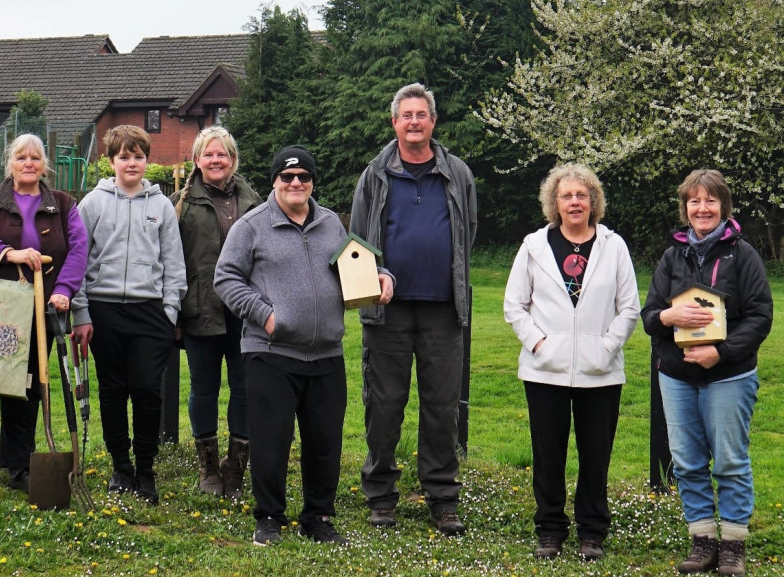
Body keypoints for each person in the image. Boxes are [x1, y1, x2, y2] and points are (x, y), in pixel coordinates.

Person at [215, 146, 394, 546]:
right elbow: (225, 278)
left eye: (304, 177)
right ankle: (269, 519)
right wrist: (266, 315)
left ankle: (318, 518)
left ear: (313, 181)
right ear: (275, 181)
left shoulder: (330, 223)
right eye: (287, 177)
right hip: (271, 353)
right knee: (271, 442)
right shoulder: (252, 226)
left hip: (326, 354)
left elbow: (354, 262)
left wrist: (382, 276)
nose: (296, 184)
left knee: (324, 443)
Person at [349, 82, 477, 536]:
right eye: (407, 115)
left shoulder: (458, 174)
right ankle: (380, 495)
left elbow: (468, 233)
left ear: (433, 122)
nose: (415, 122)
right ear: (395, 122)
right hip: (388, 313)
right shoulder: (374, 174)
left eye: (422, 114)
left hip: (444, 311)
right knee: (383, 406)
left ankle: (442, 497)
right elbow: (359, 242)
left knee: (442, 409)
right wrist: (374, 282)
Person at [503, 163, 639, 560]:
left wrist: (606, 347)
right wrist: (540, 344)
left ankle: (592, 532)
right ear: (554, 203)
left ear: (593, 201)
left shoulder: (614, 246)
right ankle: (550, 529)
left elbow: (629, 308)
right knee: (548, 456)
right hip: (545, 370)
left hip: (601, 373)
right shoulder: (534, 246)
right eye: (567, 196)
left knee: (596, 457)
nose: (575, 202)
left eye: (582, 195)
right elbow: (515, 305)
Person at [642, 169, 772, 577]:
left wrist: (723, 352)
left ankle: (733, 545)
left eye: (710, 201)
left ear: (723, 207)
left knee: (730, 461)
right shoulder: (671, 257)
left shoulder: (744, 255)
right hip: (676, 377)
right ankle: (702, 542)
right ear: (685, 208)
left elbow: (760, 316)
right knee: (687, 462)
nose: (702, 208)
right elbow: (649, 318)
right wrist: (669, 313)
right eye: (694, 201)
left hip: (729, 376)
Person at [0, 133, 87, 491]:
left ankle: (19, 464)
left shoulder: (64, 205)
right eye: (21, 157)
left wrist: (64, 291)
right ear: (10, 163)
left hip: (38, 310)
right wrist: (9, 253)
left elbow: (78, 251)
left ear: (44, 165)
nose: (28, 164)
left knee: (26, 387)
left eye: (35, 158)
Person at [71, 125, 186, 502]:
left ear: (147, 160)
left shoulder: (162, 206)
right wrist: (82, 312)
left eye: (138, 156)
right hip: (104, 312)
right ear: (111, 161)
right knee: (113, 391)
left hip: (150, 313)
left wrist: (169, 311)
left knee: (148, 392)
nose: (131, 163)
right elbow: (79, 262)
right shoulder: (93, 203)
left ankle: (146, 468)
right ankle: (121, 466)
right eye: (124, 156)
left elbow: (173, 264)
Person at [170, 126, 262, 498]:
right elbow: (171, 261)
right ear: (196, 160)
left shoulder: (255, 202)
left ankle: (236, 465)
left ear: (233, 159)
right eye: (208, 154)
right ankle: (207, 466)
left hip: (245, 312)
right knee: (203, 389)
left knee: (244, 389)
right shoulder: (180, 203)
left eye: (222, 154)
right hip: (200, 309)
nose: (216, 160)